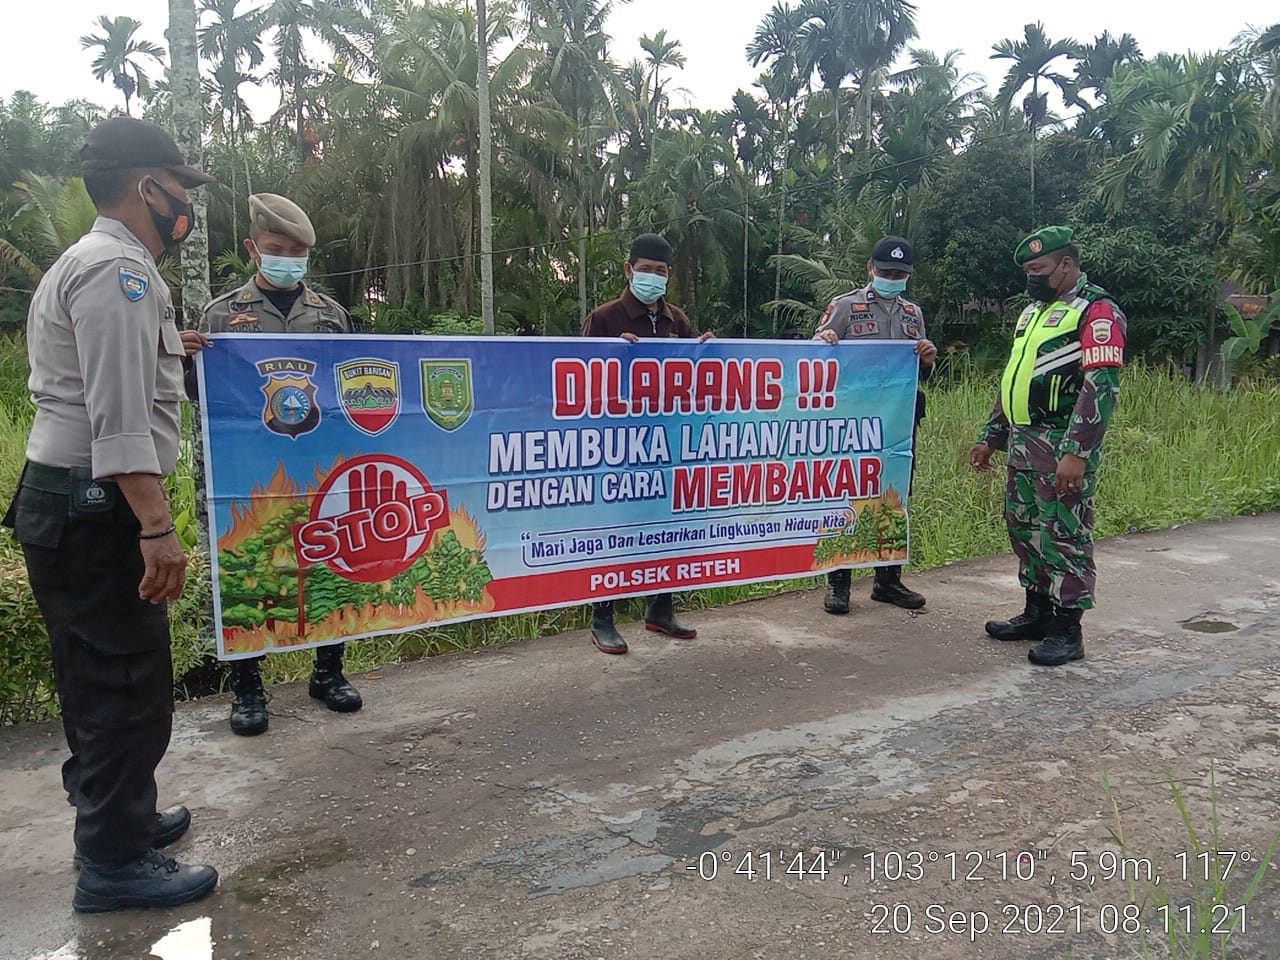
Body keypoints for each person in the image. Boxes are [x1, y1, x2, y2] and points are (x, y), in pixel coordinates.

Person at [0, 117, 218, 912]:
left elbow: (114, 374)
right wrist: (156, 528)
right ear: (147, 188)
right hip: (99, 507)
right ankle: (113, 863)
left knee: (93, 676)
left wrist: (171, 344)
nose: (183, 211)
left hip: (64, 500)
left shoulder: (93, 263)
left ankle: (120, 814)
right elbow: (120, 420)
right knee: (126, 685)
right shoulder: (118, 273)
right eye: (179, 192)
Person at [187, 193, 361, 736]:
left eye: (297, 252)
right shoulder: (219, 315)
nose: (287, 259)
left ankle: (327, 672)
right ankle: (247, 689)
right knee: (248, 568)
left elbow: (352, 387)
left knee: (330, 561)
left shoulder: (331, 317)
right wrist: (185, 359)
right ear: (253, 248)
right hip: (248, 472)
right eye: (275, 248)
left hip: (317, 465)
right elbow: (200, 396)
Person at [970, 226, 1126, 667]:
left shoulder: (1096, 311)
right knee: (1024, 528)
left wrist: (1077, 451)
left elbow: (1101, 386)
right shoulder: (1033, 313)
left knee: (1064, 532)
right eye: (1027, 270)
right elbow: (1014, 378)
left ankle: (1067, 628)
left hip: (1060, 444)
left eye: (1038, 269)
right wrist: (991, 436)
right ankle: (1036, 611)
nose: (1031, 277)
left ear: (1067, 264)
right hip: (1023, 441)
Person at [580, 233, 713, 654]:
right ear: (629, 270)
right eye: (645, 270)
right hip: (618, 444)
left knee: (666, 526)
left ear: (669, 275)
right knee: (615, 529)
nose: (652, 278)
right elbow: (575, 376)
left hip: (667, 442)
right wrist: (610, 355)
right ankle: (603, 617)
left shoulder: (678, 320)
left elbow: (692, 379)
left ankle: (660, 609)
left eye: (660, 272)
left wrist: (707, 352)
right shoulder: (605, 318)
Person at [814, 236, 938, 614]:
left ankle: (888, 581)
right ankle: (839, 583)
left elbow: (921, 373)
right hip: (852, 419)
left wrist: (929, 358)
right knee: (846, 495)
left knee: (895, 494)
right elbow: (815, 357)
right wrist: (825, 339)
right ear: (871, 269)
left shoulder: (912, 314)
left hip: (899, 422)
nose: (892, 278)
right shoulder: (846, 306)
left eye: (899, 274)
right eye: (886, 272)